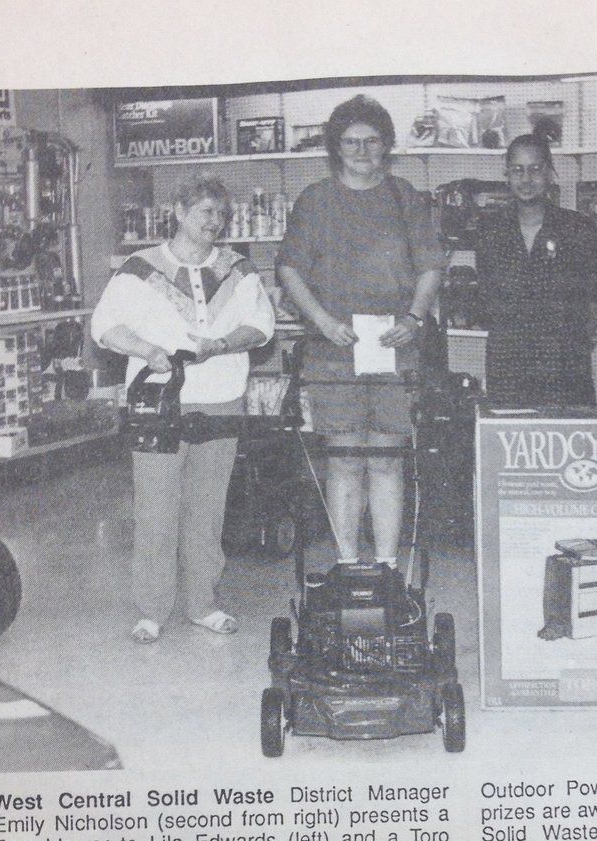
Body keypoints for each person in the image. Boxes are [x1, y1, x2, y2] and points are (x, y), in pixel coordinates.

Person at [92, 176, 275, 643]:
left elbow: (261, 327)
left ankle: (203, 604)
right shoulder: (138, 267)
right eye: (205, 212)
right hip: (157, 400)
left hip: (220, 399)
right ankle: (151, 609)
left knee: (207, 507)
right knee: (155, 505)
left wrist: (222, 343)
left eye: (221, 214)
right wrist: (148, 349)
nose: (215, 222)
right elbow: (104, 326)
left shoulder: (239, 269)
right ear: (178, 210)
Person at [275, 95, 444, 567]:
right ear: (336, 147)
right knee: (345, 459)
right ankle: (349, 564)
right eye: (351, 142)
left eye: (371, 141)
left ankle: (388, 567)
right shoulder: (315, 200)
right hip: (334, 350)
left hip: (394, 348)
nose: (362, 151)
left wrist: (413, 319)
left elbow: (431, 266)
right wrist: (322, 322)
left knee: (387, 459)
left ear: (386, 145)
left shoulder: (405, 197)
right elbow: (289, 269)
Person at [475, 133, 597, 406]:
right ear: (507, 175)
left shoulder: (578, 228)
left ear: (550, 173)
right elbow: (486, 299)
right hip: (508, 369)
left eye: (535, 169)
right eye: (518, 170)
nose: (526, 179)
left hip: (564, 369)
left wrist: (574, 343)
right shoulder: (490, 232)